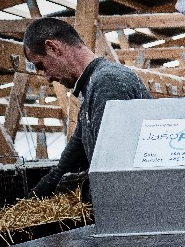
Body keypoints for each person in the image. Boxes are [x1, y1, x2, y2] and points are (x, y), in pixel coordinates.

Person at [24, 17, 152, 199]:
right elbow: (71, 158)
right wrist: (30, 200)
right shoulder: (93, 86)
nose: (47, 77)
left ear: (53, 48)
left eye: (42, 66)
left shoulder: (107, 82)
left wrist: (84, 199)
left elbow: (112, 168)